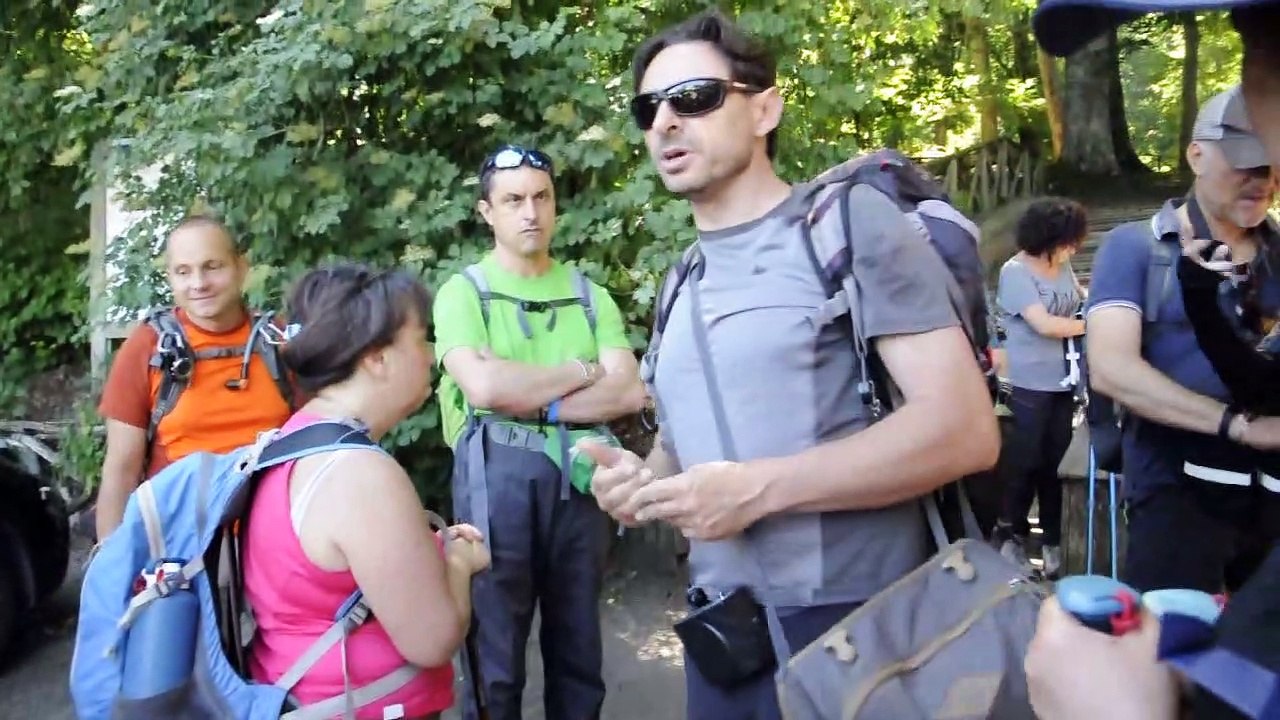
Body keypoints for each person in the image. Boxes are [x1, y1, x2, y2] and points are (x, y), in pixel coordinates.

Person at [579, 9, 999, 718]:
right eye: (649, 108)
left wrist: (759, 490)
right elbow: (688, 449)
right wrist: (642, 484)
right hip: (725, 638)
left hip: (864, 634)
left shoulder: (847, 224)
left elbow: (965, 431)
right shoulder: (681, 279)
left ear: (765, 106)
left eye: (696, 97)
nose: (667, 123)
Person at [432, 145, 646, 720]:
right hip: (495, 474)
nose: (530, 212)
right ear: (487, 212)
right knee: (495, 649)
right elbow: (482, 389)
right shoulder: (463, 293)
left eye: (541, 197)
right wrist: (580, 373)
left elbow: (628, 392)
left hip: (580, 469)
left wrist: (531, 399)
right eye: (513, 200)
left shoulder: (588, 294)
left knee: (579, 642)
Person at [241, 262, 491, 720]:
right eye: (420, 338)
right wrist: (458, 562)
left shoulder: (295, 440)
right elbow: (432, 640)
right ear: (377, 357)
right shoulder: (359, 475)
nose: (431, 353)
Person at [1081, 86, 1280, 596]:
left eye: (1273, 166)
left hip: (1273, 497)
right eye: (1247, 164)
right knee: (1168, 653)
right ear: (1197, 154)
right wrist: (1236, 427)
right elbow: (1110, 367)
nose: (1263, 181)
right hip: (1176, 493)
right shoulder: (1136, 247)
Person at [95, 214, 295, 541]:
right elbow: (121, 468)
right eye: (183, 272)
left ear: (241, 267)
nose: (198, 283)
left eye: (213, 266)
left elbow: (321, 448)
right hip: (179, 541)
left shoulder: (279, 340)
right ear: (170, 278)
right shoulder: (148, 347)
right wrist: (111, 564)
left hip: (274, 539)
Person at [992, 197, 1089, 578]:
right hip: (1026, 381)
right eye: (1068, 240)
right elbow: (1045, 325)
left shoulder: (1061, 265)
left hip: (1063, 381)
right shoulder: (1015, 272)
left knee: (1056, 461)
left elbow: (1079, 299)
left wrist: (1090, 306)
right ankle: (1009, 534)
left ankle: (1053, 539)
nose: (1074, 248)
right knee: (1024, 461)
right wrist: (1096, 323)